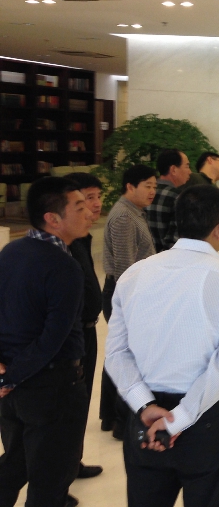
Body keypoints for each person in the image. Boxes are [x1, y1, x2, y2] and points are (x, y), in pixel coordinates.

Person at [106, 185, 219, 507]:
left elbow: (115, 353)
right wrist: (178, 419)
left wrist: (144, 406)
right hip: (203, 417)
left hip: (144, 417)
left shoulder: (134, 274)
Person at [0, 177, 93, 507]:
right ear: (53, 218)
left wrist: (7, 375)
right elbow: (54, 337)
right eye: (79, 207)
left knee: (15, 465)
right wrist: (11, 377)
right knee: (50, 483)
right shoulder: (63, 265)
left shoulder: (11, 251)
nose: (90, 213)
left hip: (15, 389)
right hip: (52, 387)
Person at [100, 164, 157, 439]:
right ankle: (122, 423)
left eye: (154, 186)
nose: (153, 191)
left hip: (131, 291)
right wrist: (136, 303)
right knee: (128, 357)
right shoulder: (124, 216)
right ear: (130, 187)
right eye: (147, 186)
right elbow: (125, 268)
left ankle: (110, 417)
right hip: (125, 293)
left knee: (120, 354)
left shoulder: (134, 212)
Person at [63, 172, 106, 480]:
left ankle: (72, 462)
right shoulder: (64, 245)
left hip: (88, 330)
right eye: (88, 199)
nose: (96, 204)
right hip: (72, 336)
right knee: (69, 405)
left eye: (97, 197)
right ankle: (61, 474)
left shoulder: (82, 239)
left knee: (81, 401)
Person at [146, 149, 192, 252]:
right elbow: (176, 240)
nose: (190, 171)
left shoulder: (144, 193)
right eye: (187, 166)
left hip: (143, 258)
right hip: (167, 258)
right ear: (173, 169)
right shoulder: (179, 197)